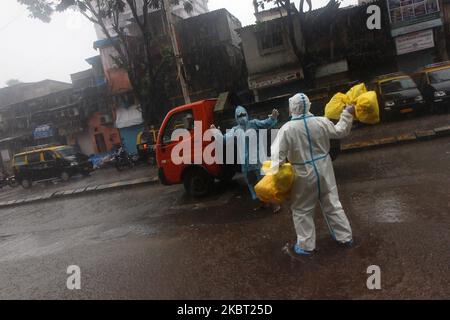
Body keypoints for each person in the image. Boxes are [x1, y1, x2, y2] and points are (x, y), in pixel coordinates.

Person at [270, 93, 355, 257]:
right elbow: (340, 131)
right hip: (324, 169)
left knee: (302, 210)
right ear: (308, 105)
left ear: (292, 107)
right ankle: (345, 237)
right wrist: (347, 112)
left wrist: (271, 176)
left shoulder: (287, 129)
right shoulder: (321, 122)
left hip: (302, 174)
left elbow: (277, 157)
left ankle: (306, 246)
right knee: (333, 204)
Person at [212, 106, 279, 210]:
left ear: (246, 114)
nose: (242, 117)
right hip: (246, 164)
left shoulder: (254, 123)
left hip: (258, 161)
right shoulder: (235, 130)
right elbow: (223, 140)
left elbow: (267, 123)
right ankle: (262, 203)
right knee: (252, 184)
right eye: (239, 116)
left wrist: (273, 118)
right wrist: (216, 132)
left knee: (265, 182)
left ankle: (275, 204)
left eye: (243, 114)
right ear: (236, 117)